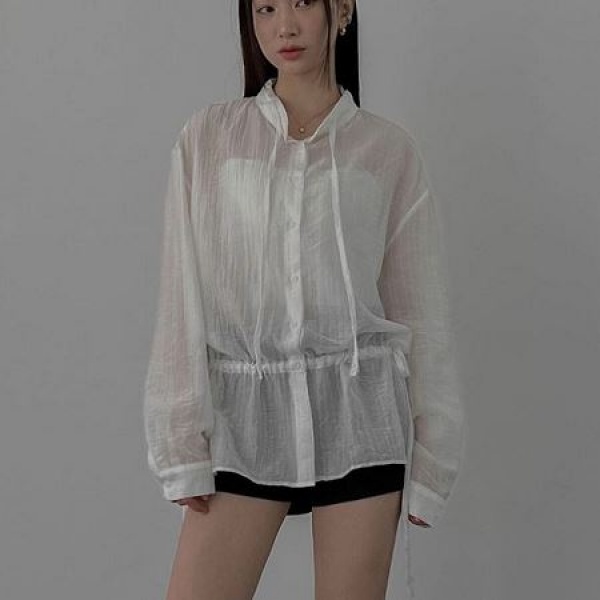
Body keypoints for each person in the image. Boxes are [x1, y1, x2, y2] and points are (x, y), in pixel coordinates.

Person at [143, 1, 466, 599]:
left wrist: (433, 457)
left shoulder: (387, 150)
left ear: (341, 9)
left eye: (300, 3)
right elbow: (180, 295)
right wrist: (180, 436)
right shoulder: (211, 137)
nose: (284, 27)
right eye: (266, 8)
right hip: (245, 423)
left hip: (361, 423)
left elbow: (420, 310)